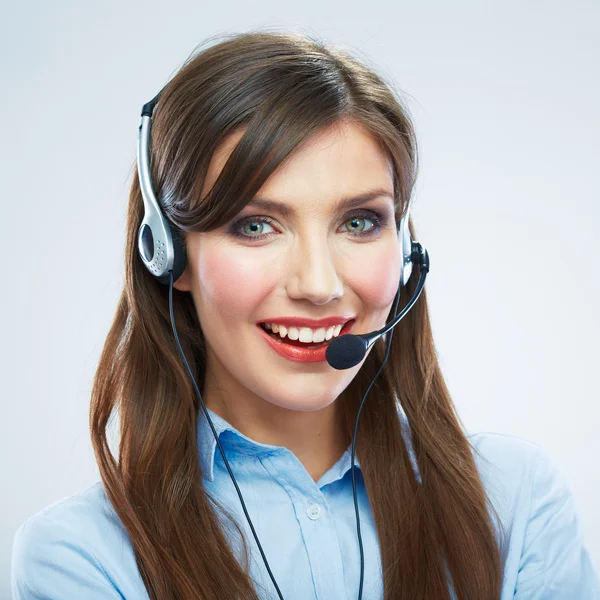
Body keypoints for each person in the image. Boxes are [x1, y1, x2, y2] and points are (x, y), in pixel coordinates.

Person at [11, 30, 600, 600]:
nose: (318, 285)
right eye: (256, 226)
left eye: (359, 222)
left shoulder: (516, 503)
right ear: (169, 254)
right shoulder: (82, 557)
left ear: (405, 253)